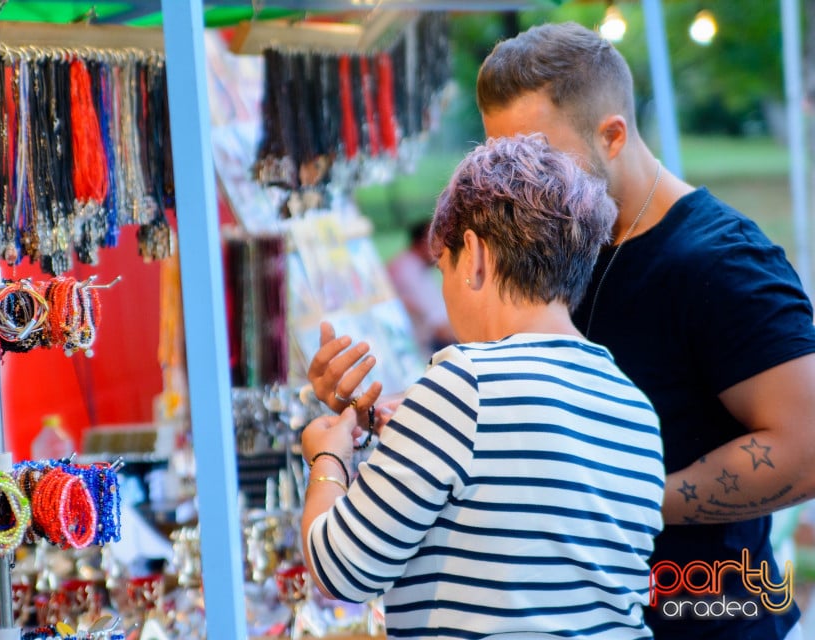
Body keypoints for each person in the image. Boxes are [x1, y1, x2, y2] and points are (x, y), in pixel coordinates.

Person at [306, 22, 815, 639]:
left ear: (612, 135)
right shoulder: (548, 246)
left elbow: (806, 447)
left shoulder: (721, 260)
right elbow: (519, 404)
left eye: (537, 152)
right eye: (498, 156)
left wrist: (617, 494)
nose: (515, 178)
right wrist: (406, 421)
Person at [301, 133, 665, 639]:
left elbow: (342, 568)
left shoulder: (464, 382)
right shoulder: (634, 405)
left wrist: (328, 455)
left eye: (442, 265)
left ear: (471, 255)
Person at [386, 219, 456, 357]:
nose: (444, 248)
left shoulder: (412, 265)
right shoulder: (408, 270)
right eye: (439, 241)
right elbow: (440, 328)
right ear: (424, 241)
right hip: (429, 347)